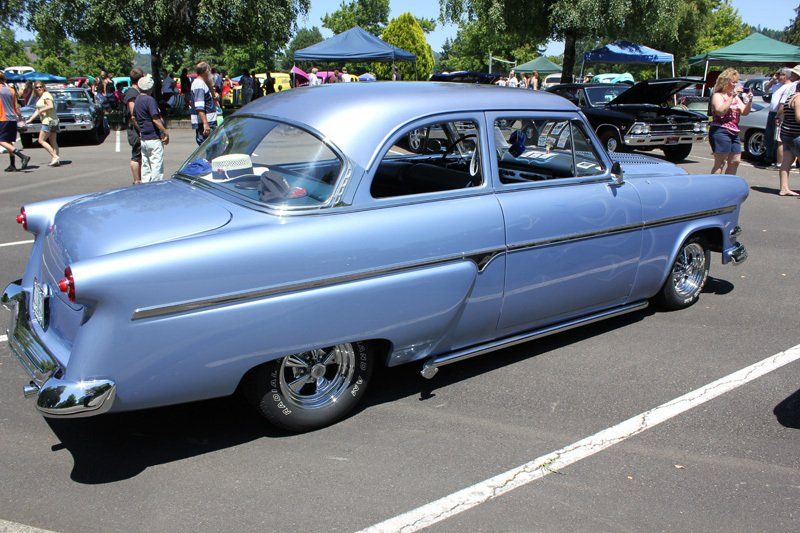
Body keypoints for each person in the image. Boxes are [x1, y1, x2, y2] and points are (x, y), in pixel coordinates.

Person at [708, 68, 752, 175]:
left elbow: (744, 112)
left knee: (735, 161)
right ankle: (714, 186)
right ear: (725, 82)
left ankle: (728, 184)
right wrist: (732, 96)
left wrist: (749, 101)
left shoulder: (736, 97)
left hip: (734, 132)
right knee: (720, 162)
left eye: (737, 82)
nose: (735, 85)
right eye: (733, 82)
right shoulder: (717, 95)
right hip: (720, 130)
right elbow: (720, 111)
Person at [133, 75, 169, 182]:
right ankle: (156, 186)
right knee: (156, 164)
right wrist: (165, 131)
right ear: (151, 88)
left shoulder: (137, 99)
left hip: (144, 137)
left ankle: (146, 185)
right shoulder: (150, 100)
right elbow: (155, 119)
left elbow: (133, 117)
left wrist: (140, 129)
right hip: (154, 137)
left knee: (146, 165)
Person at [23, 82, 60, 166]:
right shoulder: (40, 97)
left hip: (48, 121)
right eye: (36, 87)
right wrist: (31, 119)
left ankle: (55, 156)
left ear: (43, 87)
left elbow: (50, 106)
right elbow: (37, 110)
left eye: (40, 87)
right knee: (53, 141)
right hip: (52, 120)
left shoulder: (46, 94)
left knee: (41, 140)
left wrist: (41, 110)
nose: (39, 88)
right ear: (34, 89)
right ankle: (56, 160)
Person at [0, 72, 30, 172]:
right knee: (8, 142)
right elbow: (16, 106)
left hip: (3, 118)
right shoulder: (11, 90)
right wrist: (20, 118)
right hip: (12, 118)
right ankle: (12, 165)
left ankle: (22, 156)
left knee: (2, 141)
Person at [777, 66, 800, 196]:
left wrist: (776, 116)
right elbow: (799, 117)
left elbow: (782, 111)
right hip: (796, 135)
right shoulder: (799, 98)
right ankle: (784, 188)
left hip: (786, 133)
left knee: (786, 161)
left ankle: (784, 188)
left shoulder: (791, 96)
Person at [766, 68, 796, 166]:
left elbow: (783, 103)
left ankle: (780, 161)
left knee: (779, 138)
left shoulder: (790, 86)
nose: (779, 76)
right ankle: (769, 156)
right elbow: (766, 88)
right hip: (772, 113)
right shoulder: (778, 85)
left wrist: (778, 115)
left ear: (786, 76)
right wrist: (773, 79)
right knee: (770, 136)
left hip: (780, 114)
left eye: (781, 75)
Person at [123, 68, 143, 184]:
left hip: (136, 127)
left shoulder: (135, 92)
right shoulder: (132, 93)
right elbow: (133, 114)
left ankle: (140, 179)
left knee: (140, 155)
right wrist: (140, 130)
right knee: (136, 155)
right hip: (134, 128)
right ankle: (137, 180)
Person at [191, 62, 217, 146]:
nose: (210, 72)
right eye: (209, 70)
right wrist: (205, 124)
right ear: (205, 71)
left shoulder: (203, 83)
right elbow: (199, 106)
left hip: (208, 122)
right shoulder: (199, 84)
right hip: (205, 123)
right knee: (208, 149)